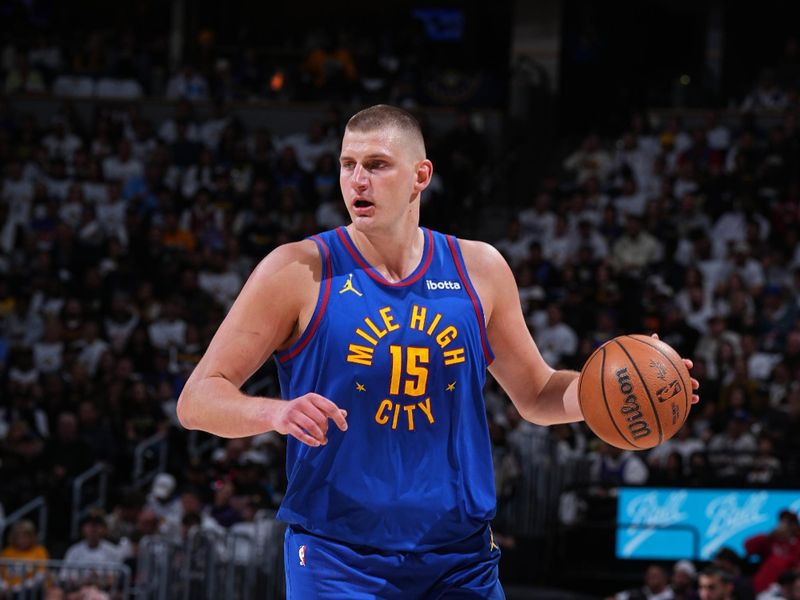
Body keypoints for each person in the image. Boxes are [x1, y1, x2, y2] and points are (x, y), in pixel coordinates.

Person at [177, 104, 699, 598]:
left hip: (459, 556)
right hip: (340, 555)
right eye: (348, 165)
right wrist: (275, 411)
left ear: (421, 176)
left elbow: (538, 394)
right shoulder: (297, 270)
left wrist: (620, 388)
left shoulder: (480, 269)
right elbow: (198, 398)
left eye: (377, 165)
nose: (358, 180)